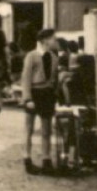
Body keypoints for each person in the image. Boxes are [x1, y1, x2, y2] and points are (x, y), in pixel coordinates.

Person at [21, 28, 60, 175]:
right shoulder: (31, 56)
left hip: (47, 95)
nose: (55, 41)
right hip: (34, 93)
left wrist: (55, 95)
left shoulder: (54, 57)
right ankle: (27, 159)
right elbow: (26, 78)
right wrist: (27, 98)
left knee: (46, 130)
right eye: (53, 39)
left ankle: (46, 160)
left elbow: (55, 80)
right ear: (44, 40)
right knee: (29, 129)